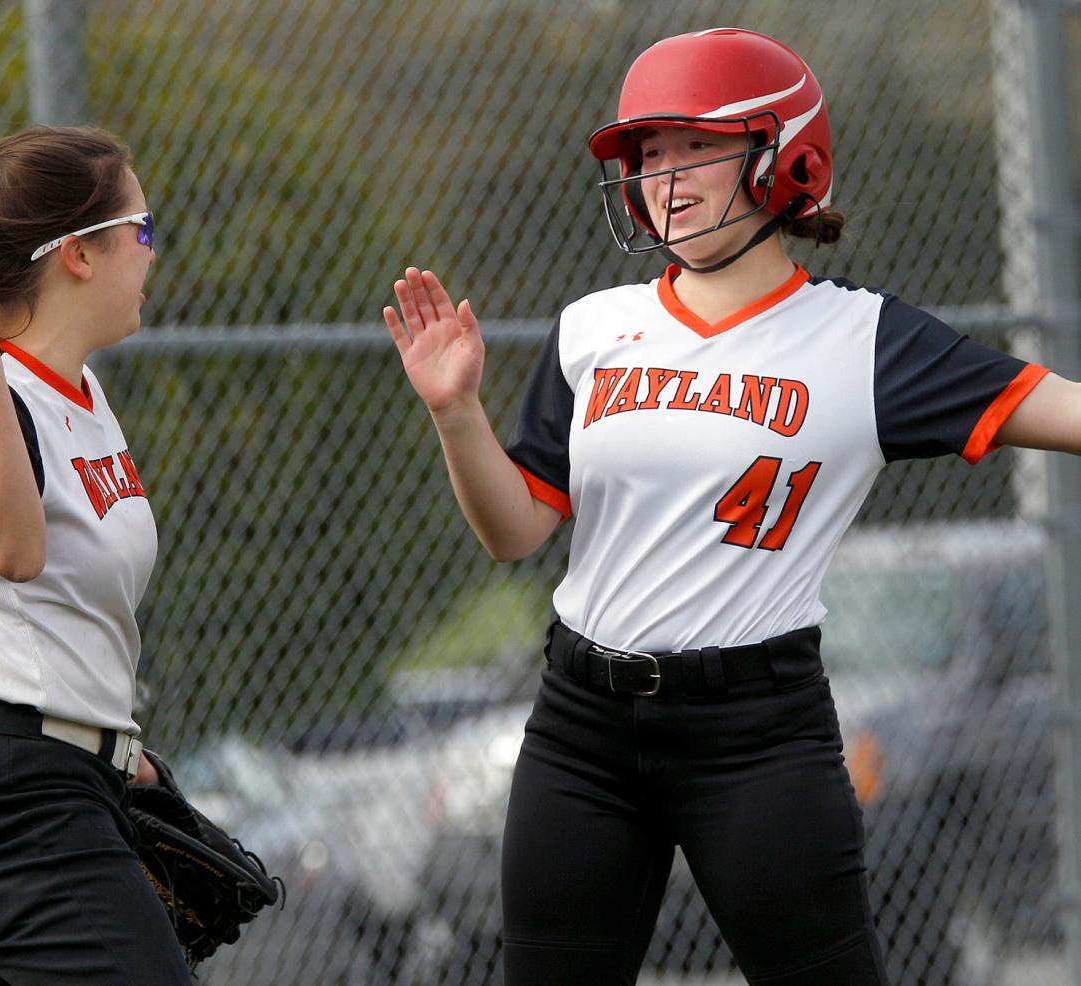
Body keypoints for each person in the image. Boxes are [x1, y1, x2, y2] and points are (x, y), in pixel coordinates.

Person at [383, 28, 1079, 986]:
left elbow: (1067, 412)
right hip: (581, 727)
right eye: (648, 155)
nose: (662, 177)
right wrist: (456, 414)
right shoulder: (594, 328)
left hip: (757, 733)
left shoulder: (860, 338)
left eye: (694, 147)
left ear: (787, 160)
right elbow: (515, 532)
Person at [0, 125, 193, 986]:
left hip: (74, 784)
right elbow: (14, 551)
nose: (152, 254)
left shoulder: (85, 394)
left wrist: (126, 761)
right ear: (79, 256)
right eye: (143, 229)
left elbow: (64, 623)